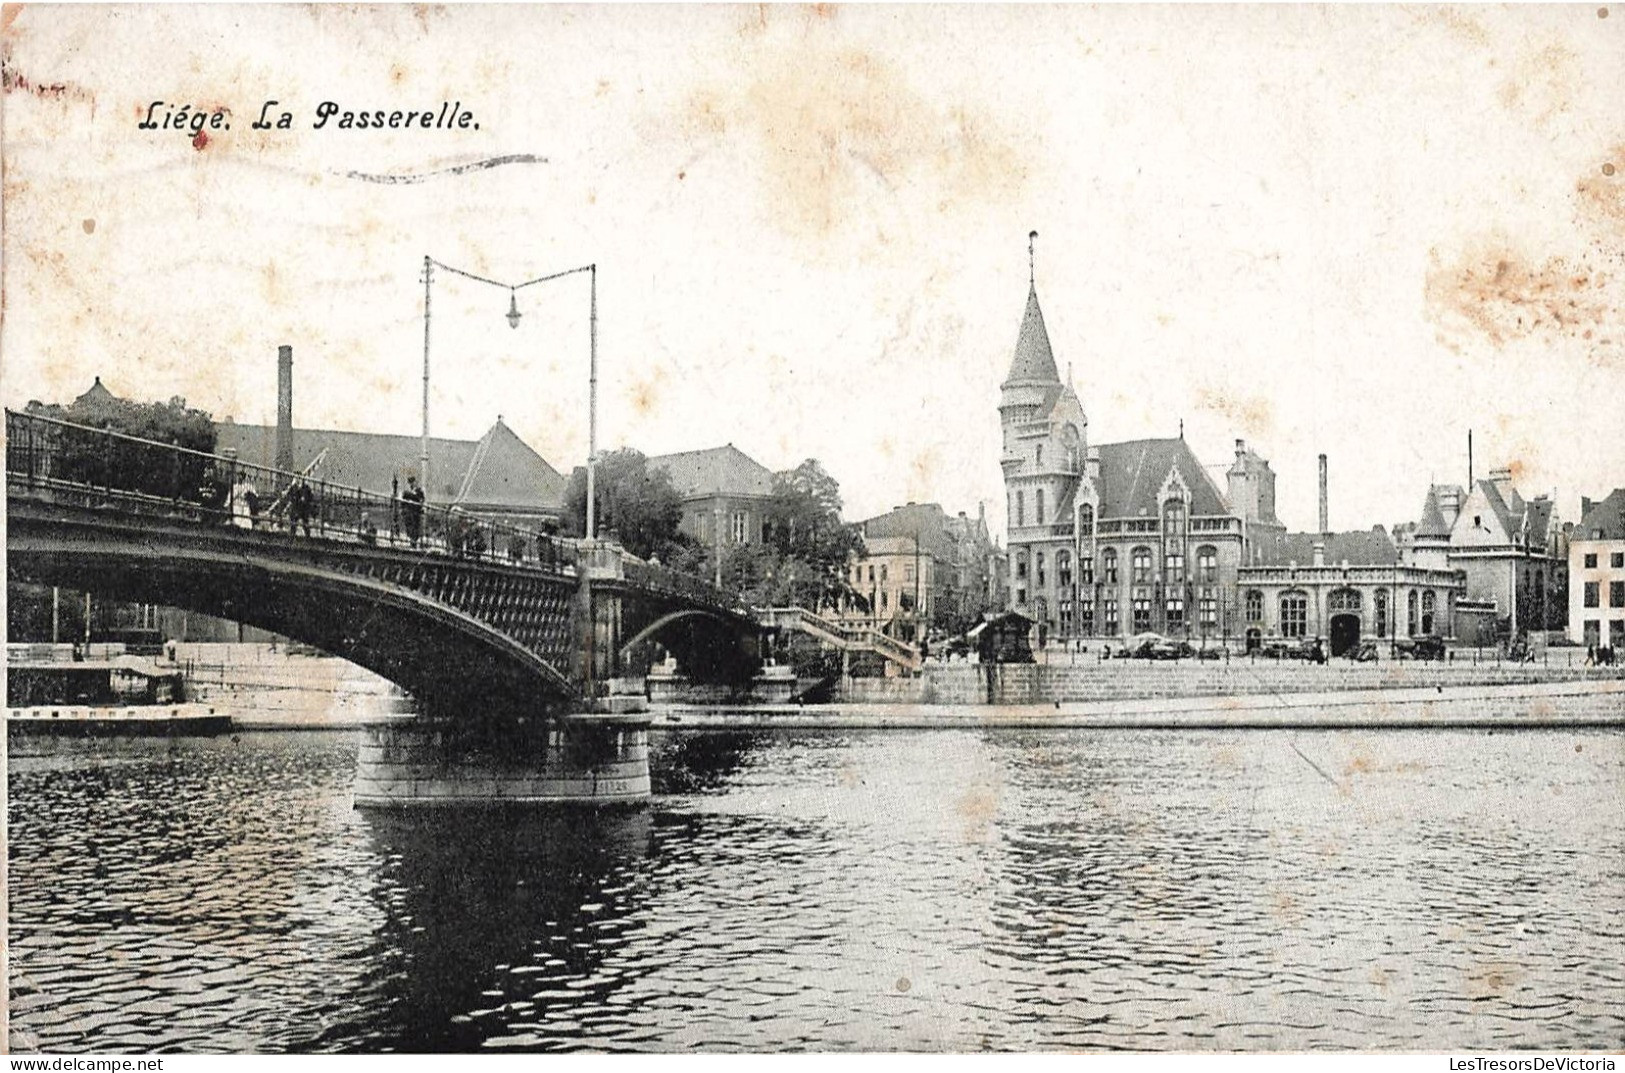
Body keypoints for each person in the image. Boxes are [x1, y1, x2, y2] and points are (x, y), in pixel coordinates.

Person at [401, 475, 425, 547]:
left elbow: (420, 499)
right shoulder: (410, 491)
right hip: (409, 511)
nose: (411, 484)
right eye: (410, 483)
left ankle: (414, 541)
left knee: (415, 527)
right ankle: (412, 540)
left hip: (415, 512)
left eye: (412, 482)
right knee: (410, 527)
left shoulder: (419, 491)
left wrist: (411, 496)